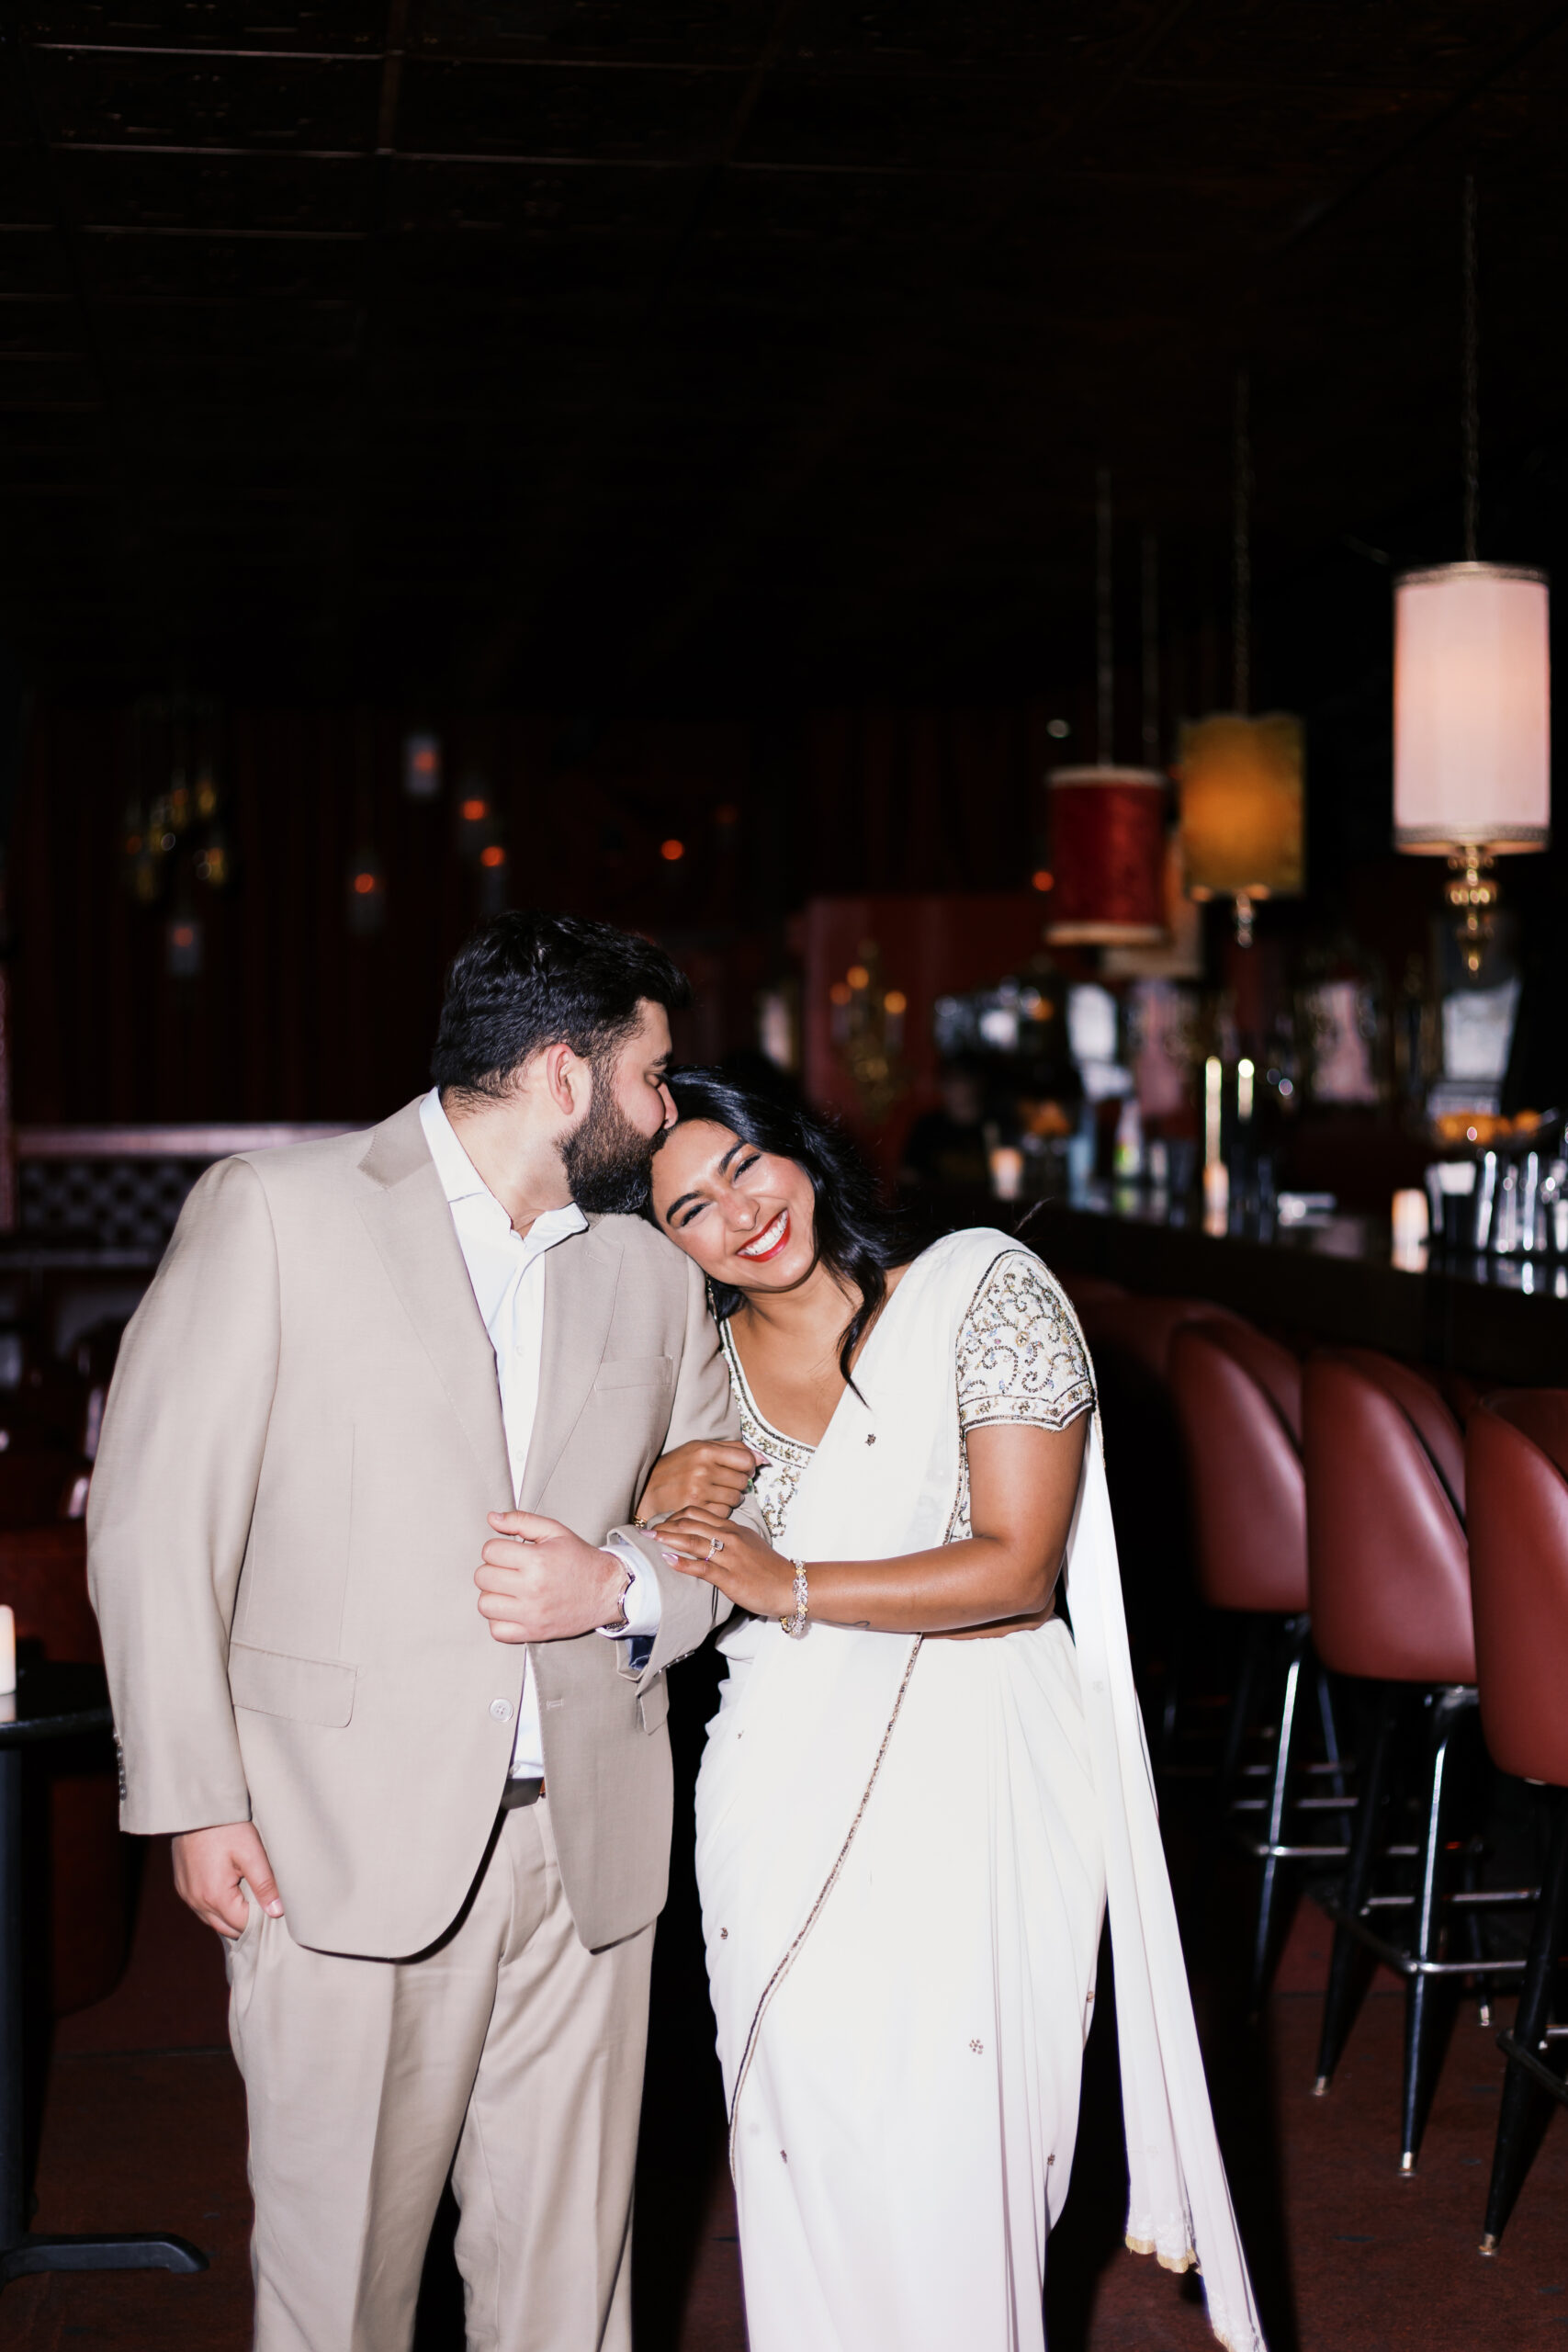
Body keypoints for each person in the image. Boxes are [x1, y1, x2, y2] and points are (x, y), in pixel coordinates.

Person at [87, 912, 760, 2352]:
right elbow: (154, 1520)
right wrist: (194, 1798)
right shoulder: (278, 1210)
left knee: (569, 2301)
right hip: (338, 1847)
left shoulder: (645, 1271)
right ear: (563, 1078)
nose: (666, 1115)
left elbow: (721, 1522)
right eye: (651, 1077)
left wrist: (621, 1586)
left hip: (588, 1856)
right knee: (340, 2298)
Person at [638, 1069, 1266, 2352]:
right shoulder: (694, 1381)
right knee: (805, 2142)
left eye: (748, 1163)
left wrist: (791, 1580)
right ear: (669, 1251)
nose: (742, 1213)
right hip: (778, 1791)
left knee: (955, 2155)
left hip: (984, 1770)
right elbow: (631, 1552)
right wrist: (654, 1488)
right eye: (692, 1210)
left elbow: (1018, 1564)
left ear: (800, 1147)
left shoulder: (983, 1290)